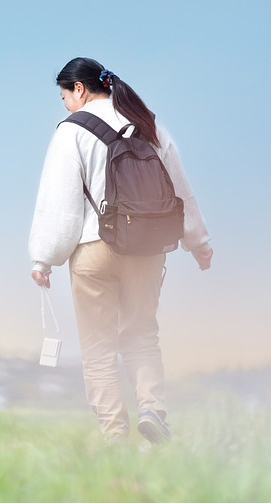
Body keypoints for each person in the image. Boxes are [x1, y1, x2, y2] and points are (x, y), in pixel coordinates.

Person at [28, 57, 213, 444]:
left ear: (79, 89)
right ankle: (152, 409)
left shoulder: (71, 131)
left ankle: (114, 435)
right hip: (147, 249)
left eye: (64, 96)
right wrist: (198, 242)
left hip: (95, 249)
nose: (65, 105)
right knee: (142, 335)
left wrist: (43, 257)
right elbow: (179, 189)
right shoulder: (148, 123)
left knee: (98, 347)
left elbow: (58, 202)